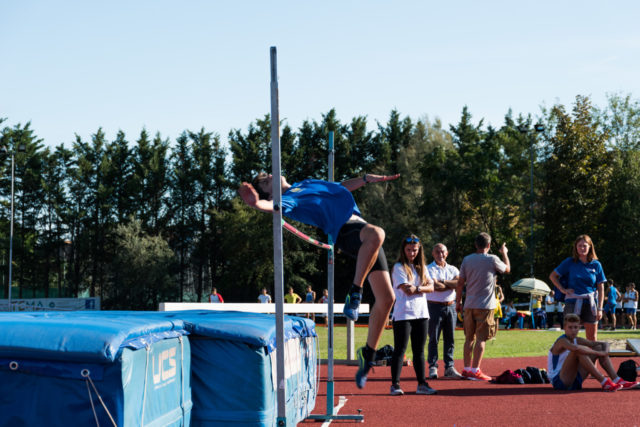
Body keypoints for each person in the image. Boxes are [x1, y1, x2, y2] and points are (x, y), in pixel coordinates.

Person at [239, 172, 399, 388]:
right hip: (346, 231)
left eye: (268, 175)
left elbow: (339, 186)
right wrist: (258, 204)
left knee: (387, 298)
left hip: (361, 228)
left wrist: (365, 179)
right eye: (266, 181)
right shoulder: (288, 198)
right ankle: (355, 291)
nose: (270, 175)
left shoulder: (306, 182)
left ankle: (368, 354)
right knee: (377, 234)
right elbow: (274, 208)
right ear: (269, 192)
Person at [456, 232, 510, 381]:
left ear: (475, 244)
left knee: (469, 338)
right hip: (485, 306)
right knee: (481, 339)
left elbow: (460, 283)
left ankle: (466, 369)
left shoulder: (467, 260)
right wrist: (504, 253)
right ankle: (476, 370)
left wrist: (458, 302)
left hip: (469, 305)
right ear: (488, 245)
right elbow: (507, 269)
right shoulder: (492, 259)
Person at [389, 234, 436, 395]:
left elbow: (432, 287)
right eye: (409, 250)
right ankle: (395, 384)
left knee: (419, 351)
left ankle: (422, 384)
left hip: (422, 313)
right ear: (404, 250)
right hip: (403, 314)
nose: (412, 253)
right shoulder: (398, 267)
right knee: (400, 349)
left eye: (415, 250)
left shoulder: (422, 268)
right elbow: (407, 290)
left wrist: (418, 288)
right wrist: (421, 288)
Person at [548, 313, 637, 392]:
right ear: (564, 328)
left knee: (598, 347)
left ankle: (617, 380)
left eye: (575, 327)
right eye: (570, 327)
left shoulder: (578, 340)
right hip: (560, 381)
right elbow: (575, 349)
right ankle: (604, 381)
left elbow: (604, 344)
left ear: (579, 327)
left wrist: (604, 352)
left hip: (575, 379)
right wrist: (599, 353)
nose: (573, 330)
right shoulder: (562, 341)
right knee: (577, 351)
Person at [549, 234, 606, 341]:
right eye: (579, 246)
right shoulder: (569, 262)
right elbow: (553, 276)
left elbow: (601, 288)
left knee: (592, 338)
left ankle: (590, 358)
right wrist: (562, 289)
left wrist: (600, 308)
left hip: (590, 304)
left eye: (584, 245)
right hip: (572, 303)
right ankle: (570, 357)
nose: (582, 248)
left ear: (590, 247)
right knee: (570, 337)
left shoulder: (596, 265)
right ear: (576, 247)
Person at [426, 243, 462, 379]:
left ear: (446, 253)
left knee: (450, 338)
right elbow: (435, 287)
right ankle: (433, 367)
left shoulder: (453, 269)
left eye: (442, 252)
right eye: (437, 252)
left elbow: (459, 284)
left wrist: (443, 282)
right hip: (433, 306)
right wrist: (450, 284)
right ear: (432, 254)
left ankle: (449, 367)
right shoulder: (427, 269)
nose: (440, 254)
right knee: (433, 338)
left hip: (451, 306)